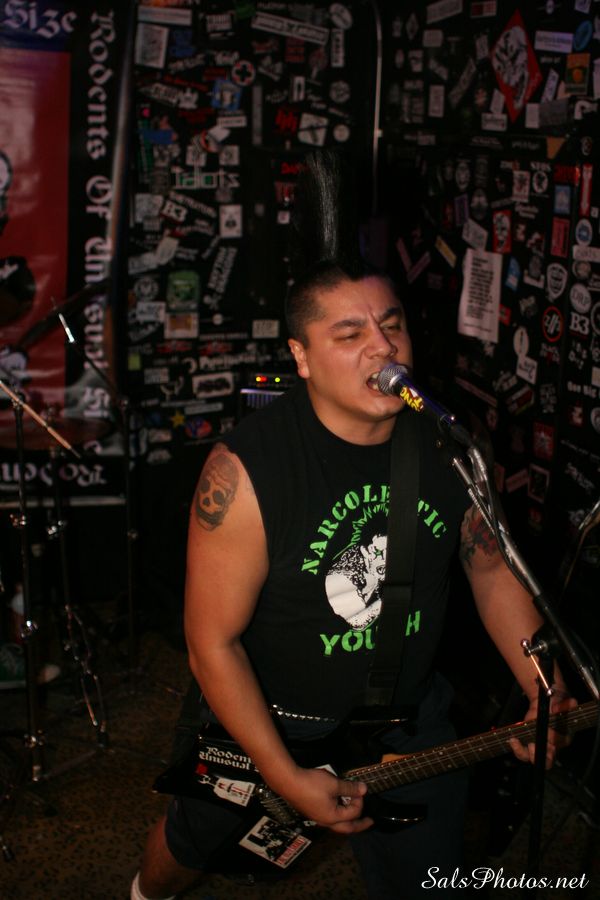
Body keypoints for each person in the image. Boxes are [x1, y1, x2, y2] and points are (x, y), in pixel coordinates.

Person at [132, 155, 574, 899]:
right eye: (349, 334)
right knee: (188, 847)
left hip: (407, 723)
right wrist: (284, 773)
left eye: (391, 325)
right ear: (301, 357)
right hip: (274, 723)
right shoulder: (246, 470)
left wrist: (542, 685)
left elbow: (490, 568)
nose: (383, 347)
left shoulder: (448, 442)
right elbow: (212, 642)